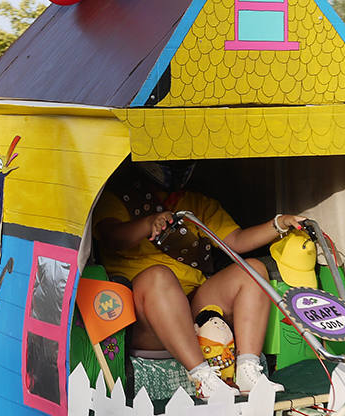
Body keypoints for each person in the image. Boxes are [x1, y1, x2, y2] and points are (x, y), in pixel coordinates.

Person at [93, 160, 305, 399]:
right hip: (144, 318)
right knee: (159, 275)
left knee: (252, 270)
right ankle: (203, 378)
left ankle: (247, 370)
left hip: (193, 308)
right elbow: (113, 237)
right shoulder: (117, 199)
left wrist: (279, 224)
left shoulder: (198, 204)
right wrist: (147, 223)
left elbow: (236, 241)